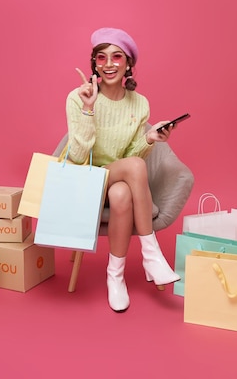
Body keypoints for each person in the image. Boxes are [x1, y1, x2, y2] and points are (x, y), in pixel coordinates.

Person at [65, 27, 180, 312]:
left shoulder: (139, 104)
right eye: (101, 58)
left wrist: (149, 139)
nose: (109, 64)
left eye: (117, 57)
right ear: (94, 63)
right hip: (83, 180)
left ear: (129, 64)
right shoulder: (78, 97)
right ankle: (152, 255)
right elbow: (78, 157)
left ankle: (114, 277)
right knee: (134, 169)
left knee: (120, 195)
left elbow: (129, 158)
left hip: (114, 182)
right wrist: (88, 109)